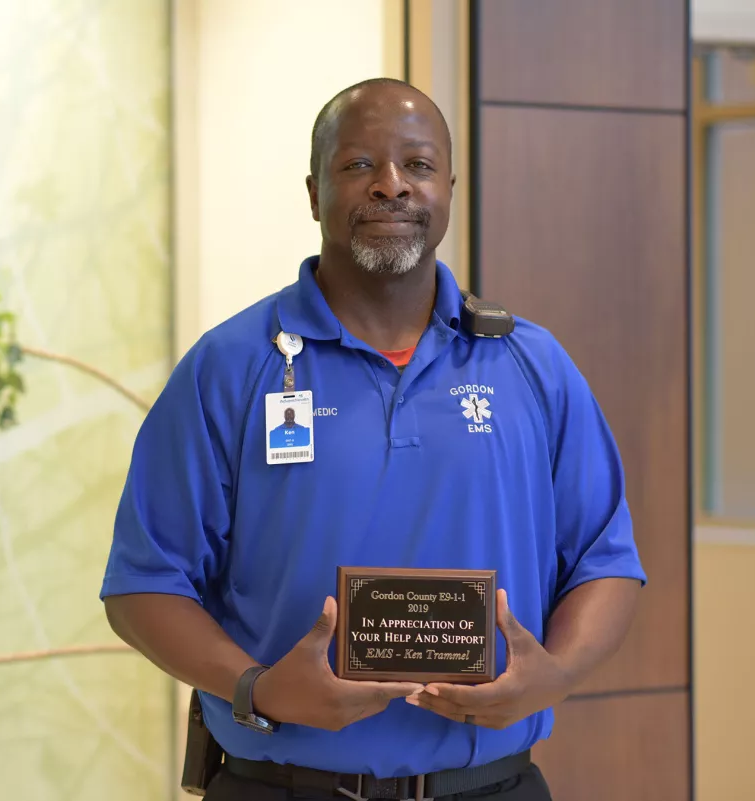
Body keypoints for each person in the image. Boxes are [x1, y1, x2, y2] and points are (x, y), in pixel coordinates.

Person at [99, 78, 645, 800]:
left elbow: (606, 560)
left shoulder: (531, 366)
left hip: (493, 786)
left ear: (449, 185)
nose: (392, 185)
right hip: (283, 785)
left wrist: (559, 672)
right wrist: (257, 687)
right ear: (313, 191)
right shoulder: (230, 367)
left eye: (417, 165)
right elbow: (144, 583)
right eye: (359, 166)